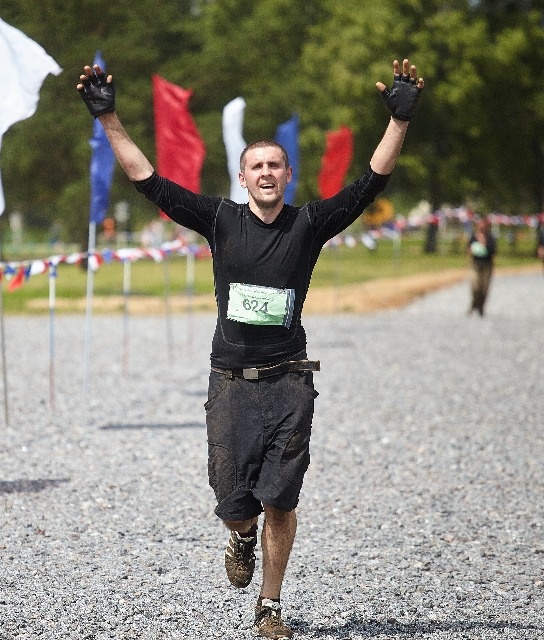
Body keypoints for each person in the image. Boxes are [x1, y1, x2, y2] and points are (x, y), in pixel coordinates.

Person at [78, 59, 424, 638]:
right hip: (231, 382)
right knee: (236, 505)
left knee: (281, 504)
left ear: (288, 175)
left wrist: (400, 122)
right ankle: (239, 536)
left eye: (275, 166)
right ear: (243, 179)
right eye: (256, 166)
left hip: (291, 380)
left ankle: (269, 606)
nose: (266, 173)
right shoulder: (218, 219)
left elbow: (370, 185)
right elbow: (149, 183)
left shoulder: (310, 223)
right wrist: (109, 116)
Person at [466, 215, 497, 317]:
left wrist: (484, 243)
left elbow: (493, 251)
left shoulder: (490, 238)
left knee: (484, 288)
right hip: (475, 264)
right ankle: (474, 303)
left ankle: (481, 307)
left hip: (486, 265)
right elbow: (468, 249)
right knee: (475, 286)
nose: (481, 228)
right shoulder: (473, 237)